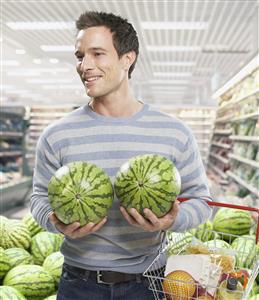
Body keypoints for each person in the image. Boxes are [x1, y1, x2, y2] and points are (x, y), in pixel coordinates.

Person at [31, 11, 212, 300]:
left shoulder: (174, 132)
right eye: (80, 56)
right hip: (79, 283)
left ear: (127, 58)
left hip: (148, 284)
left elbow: (202, 202)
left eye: (98, 54)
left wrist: (171, 222)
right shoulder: (56, 135)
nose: (85, 66)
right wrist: (55, 221)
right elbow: (38, 198)